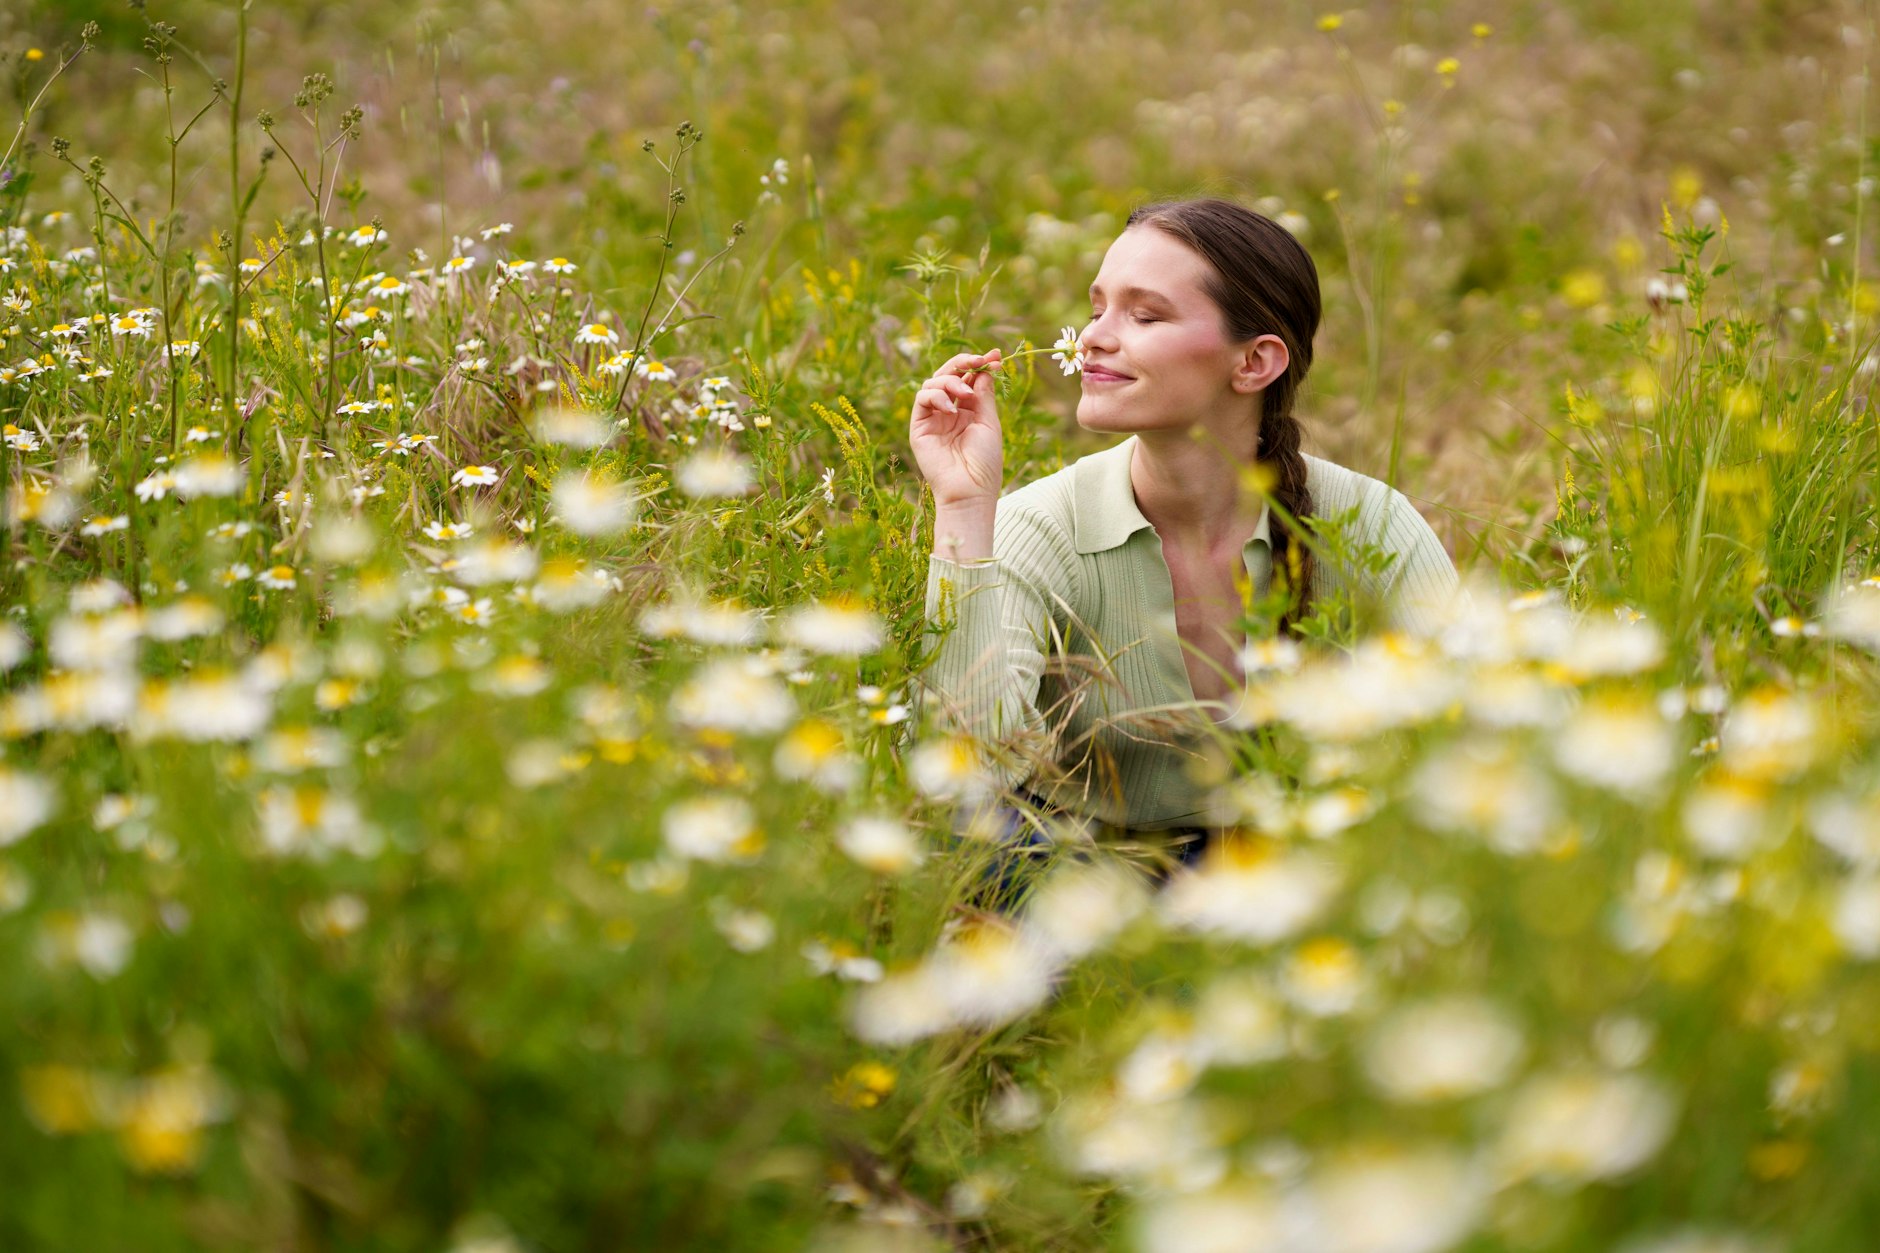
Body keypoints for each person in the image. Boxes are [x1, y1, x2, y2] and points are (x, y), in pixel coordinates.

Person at [908, 197, 1459, 888]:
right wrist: (963, 507)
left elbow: (1481, 719)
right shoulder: (1043, 525)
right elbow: (962, 770)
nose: (1093, 339)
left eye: (1145, 315)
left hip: (1306, 870)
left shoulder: (1367, 522)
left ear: (1255, 362)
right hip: (1084, 878)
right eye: (1097, 307)